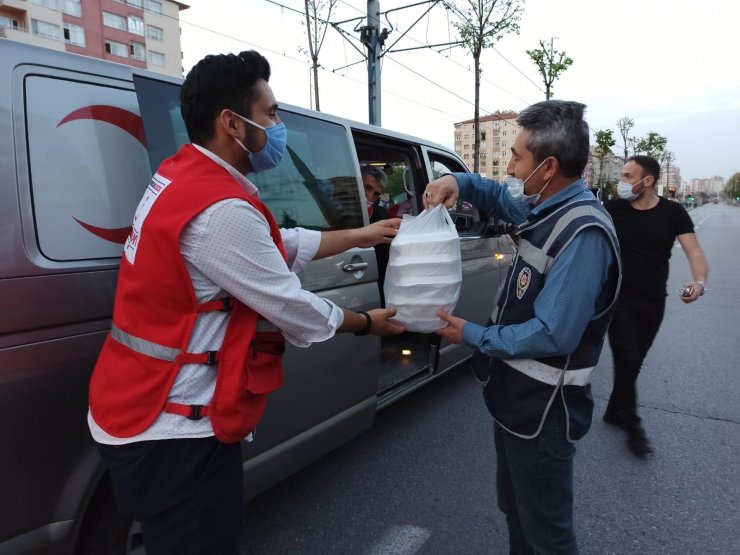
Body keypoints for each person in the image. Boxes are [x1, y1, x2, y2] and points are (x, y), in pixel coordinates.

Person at [86, 50, 404, 555]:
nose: (278, 127)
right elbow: (291, 307)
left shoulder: (182, 176)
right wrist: (367, 323)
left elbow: (280, 244)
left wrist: (361, 234)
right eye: (271, 114)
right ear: (232, 123)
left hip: (138, 406)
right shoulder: (221, 210)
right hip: (175, 431)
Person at [423, 100, 621, 554]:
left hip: (545, 413)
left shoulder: (583, 232)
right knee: (516, 511)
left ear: (548, 167)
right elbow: (497, 196)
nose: (509, 167)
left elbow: (554, 334)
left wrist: (471, 335)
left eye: (516, 157)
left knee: (547, 535)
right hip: (516, 403)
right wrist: (458, 180)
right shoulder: (544, 207)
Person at [603, 155, 708, 457]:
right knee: (627, 357)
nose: (620, 181)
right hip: (618, 297)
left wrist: (698, 282)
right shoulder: (613, 209)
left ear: (647, 181)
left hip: (652, 300)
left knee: (634, 360)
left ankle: (613, 409)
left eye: (626, 176)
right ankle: (633, 423)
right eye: (621, 174)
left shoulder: (673, 213)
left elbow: (695, 251)